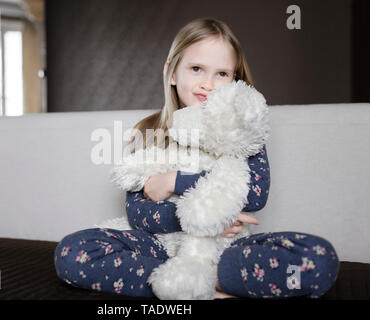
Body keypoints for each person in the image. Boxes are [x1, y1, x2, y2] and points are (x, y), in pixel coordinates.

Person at [54, 17, 339, 299]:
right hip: (159, 247)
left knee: (317, 259)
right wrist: (191, 218)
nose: (208, 84)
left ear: (235, 81)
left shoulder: (245, 130)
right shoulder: (149, 131)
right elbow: (139, 215)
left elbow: (254, 194)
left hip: (224, 249)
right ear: (173, 72)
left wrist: (174, 181)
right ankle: (187, 282)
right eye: (196, 69)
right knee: (74, 252)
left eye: (222, 74)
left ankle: (203, 281)